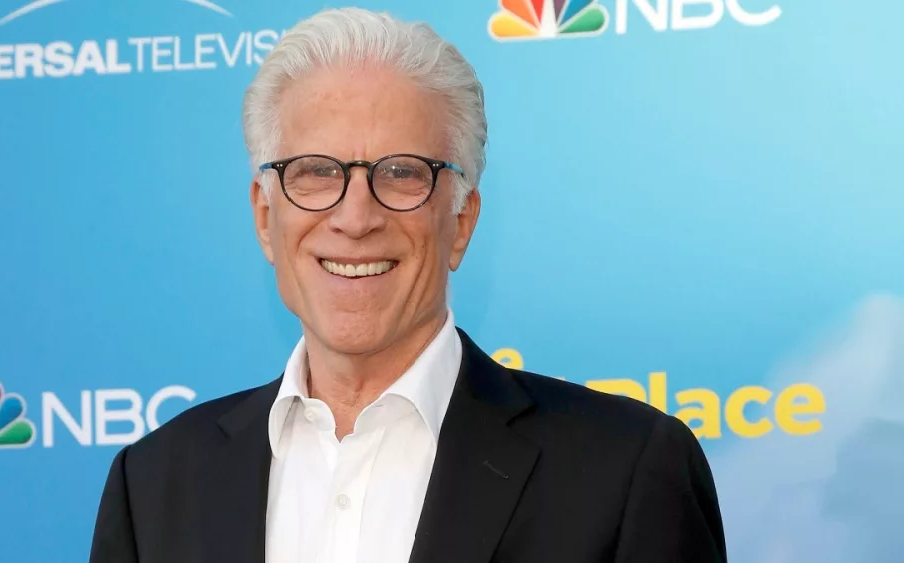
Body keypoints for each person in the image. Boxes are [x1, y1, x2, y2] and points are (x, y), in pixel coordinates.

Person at [89, 7, 727, 563]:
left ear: (461, 221)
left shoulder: (625, 472)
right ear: (264, 217)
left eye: (401, 173)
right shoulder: (153, 484)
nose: (355, 217)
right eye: (315, 172)